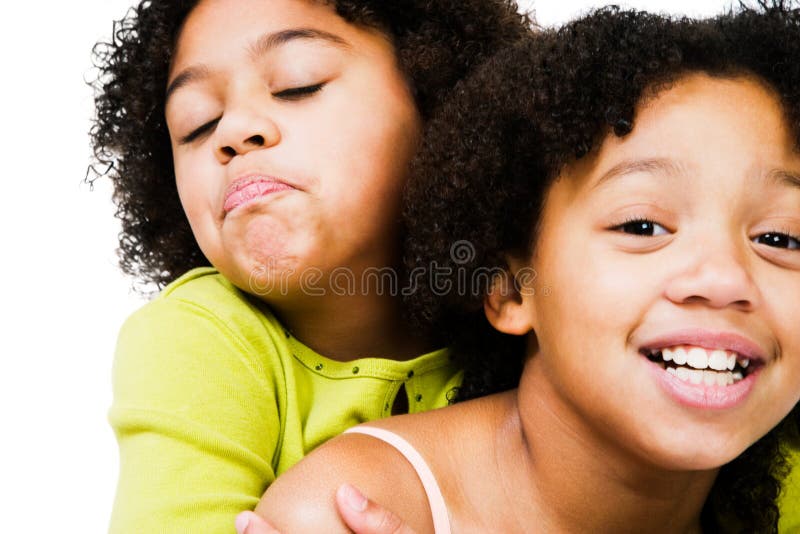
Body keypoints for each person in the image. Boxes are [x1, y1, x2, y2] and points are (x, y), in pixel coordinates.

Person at [249, 3, 800, 532]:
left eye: (780, 238)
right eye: (641, 226)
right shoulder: (353, 508)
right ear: (512, 288)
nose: (725, 279)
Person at [89, 0, 530, 531]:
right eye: (197, 124)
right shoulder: (196, 339)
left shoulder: (542, 316)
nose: (233, 130)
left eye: (298, 84)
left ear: (439, 93)